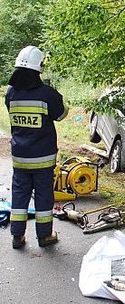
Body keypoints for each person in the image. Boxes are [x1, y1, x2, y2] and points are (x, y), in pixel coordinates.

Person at [5, 46, 68, 249]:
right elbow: (61, 114)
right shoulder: (46, 94)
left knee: (19, 196)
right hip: (42, 158)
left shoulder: (11, 93)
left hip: (20, 157)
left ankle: (17, 237)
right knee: (43, 196)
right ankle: (45, 236)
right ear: (39, 67)